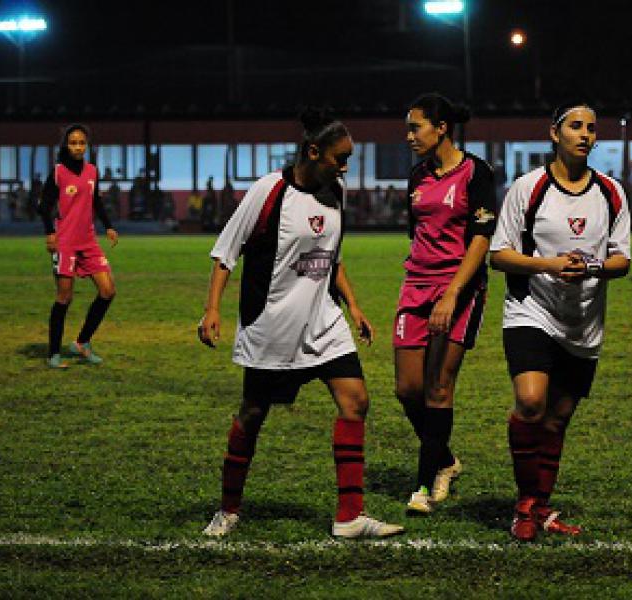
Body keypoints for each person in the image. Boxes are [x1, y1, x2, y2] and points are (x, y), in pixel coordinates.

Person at [199, 108, 404, 540]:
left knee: (356, 401)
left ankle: (350, 516)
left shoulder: (336, 193)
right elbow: (226, 252)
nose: (345, 167)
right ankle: (228, 509)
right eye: (339, 158)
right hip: (272, 324)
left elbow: (331, 259)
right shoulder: (269, 191)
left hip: (323, 321)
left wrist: (354, 307)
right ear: (313, 152)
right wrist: (212, 309)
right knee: (253, 413)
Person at [489, 100, 631, 541]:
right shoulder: (528, 188)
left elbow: (622, 260)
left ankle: (541, 507)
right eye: (575, 126)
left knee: (557, 419)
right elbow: (499, 255)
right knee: (532, 402)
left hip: (582, 321)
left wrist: (591, 268)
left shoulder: (611, 192)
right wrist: (550, 265)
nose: (585, 134)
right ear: (555, 133)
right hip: (530, 309)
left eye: (591, 128)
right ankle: (524, 505)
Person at [395, 93, 497, 514]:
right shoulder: (417, 176)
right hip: (415, 286)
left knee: (438, 387)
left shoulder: (476, 172)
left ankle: (423, 486)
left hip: (459, 289)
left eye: (415, 127)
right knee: (407, 389)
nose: (409, 136)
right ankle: (446, 459)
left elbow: (481, 237)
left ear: (441, 128)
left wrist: (453, 292)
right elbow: (416, 233)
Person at [38, 123, 119, 369]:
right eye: (73, 143)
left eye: (82, 143)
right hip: (65, 242)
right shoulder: (58, 172)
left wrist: (109, 226)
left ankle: (82, 343)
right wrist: (50, 233)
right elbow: (43, 206)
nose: (78, 147)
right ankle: (54, 353)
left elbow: (96, 202)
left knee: (108, 291)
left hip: (88, 240)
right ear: (66, 145)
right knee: (65, 297)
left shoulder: (92, 171)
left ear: (87, 145)